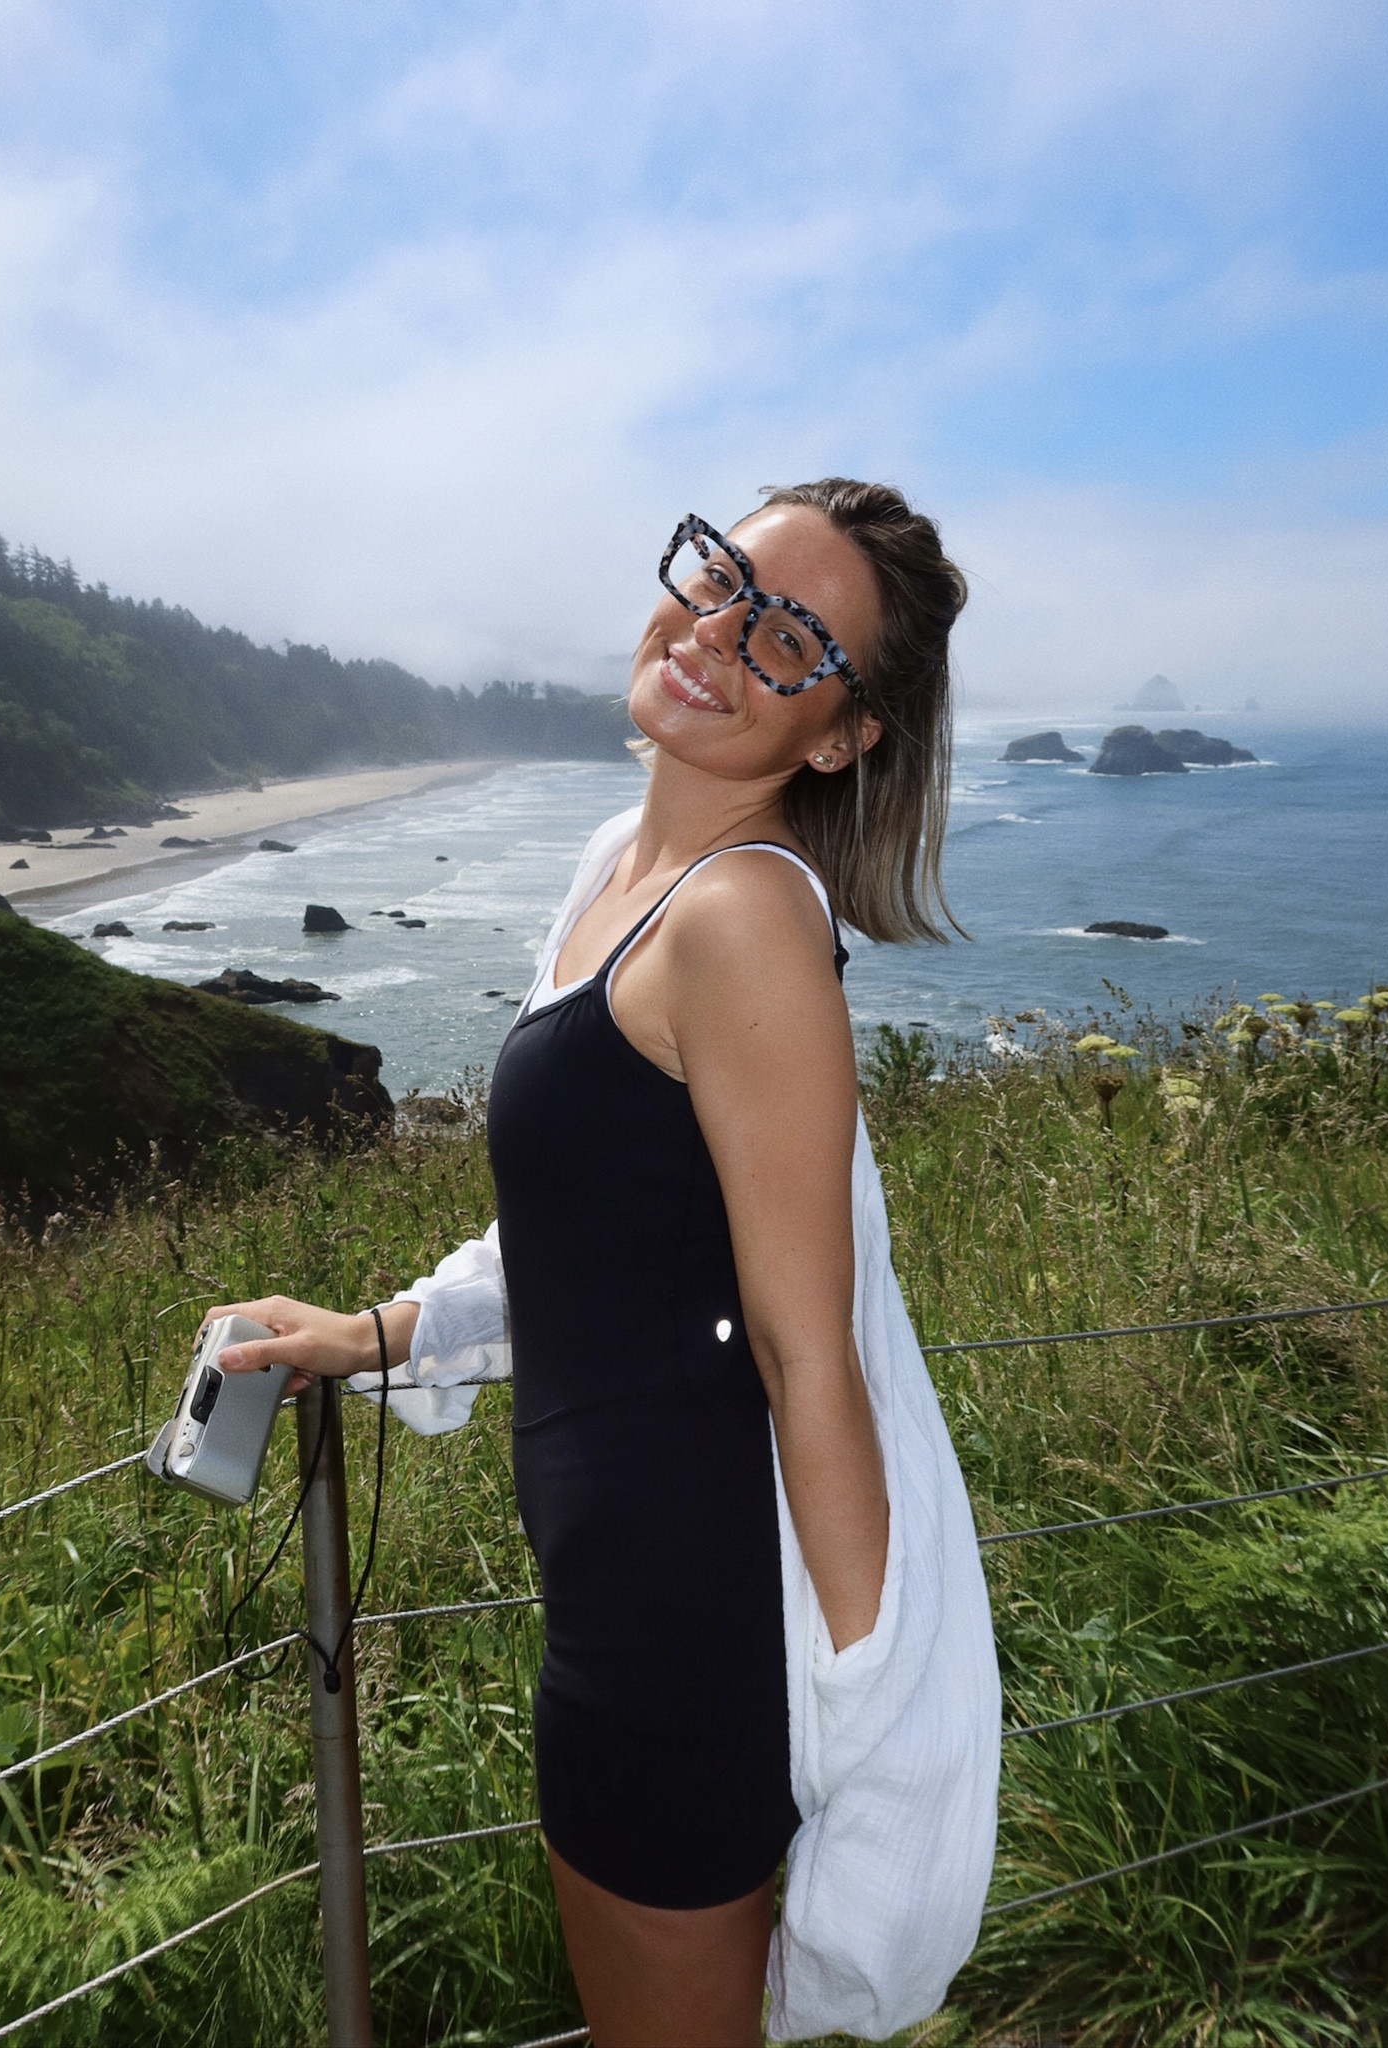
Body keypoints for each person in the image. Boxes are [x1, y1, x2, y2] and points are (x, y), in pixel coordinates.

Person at [206, 479, 999, 2046]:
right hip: (614, 1599)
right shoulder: (610, 875)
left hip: (680, 1638)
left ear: (842, 737)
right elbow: (608, 1237)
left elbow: (806, 1354)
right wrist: (378, 1334)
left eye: (787, 641)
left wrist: (867, 1730)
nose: (714, 634)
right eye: (720, 578)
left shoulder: (746, 924)